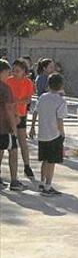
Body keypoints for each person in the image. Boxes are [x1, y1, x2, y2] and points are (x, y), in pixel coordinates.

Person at [35, 73, 66, 195]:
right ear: (61, 85)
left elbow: (36, 112)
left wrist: (33, 127)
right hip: (54, 134)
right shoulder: (61, 101)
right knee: (51, 161)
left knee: (44, 160)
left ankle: (42, 183)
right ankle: (48, 186)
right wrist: (62, 132)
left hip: (42, 133)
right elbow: (60, 119)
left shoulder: (42, 97)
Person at [7, 58, 35, 179]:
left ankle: (27, 166)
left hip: (21, 114)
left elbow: (29, 99)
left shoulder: (28, 82)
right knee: (7, 143)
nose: (14, 72)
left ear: (24, 71)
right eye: (13, 70)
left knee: (22, 141)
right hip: (8, 115)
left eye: (17, 70)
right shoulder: (8, 81)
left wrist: (19, 102)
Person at [0, 59, 23, 191]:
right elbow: (9, 109)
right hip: (4, 127)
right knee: (13, 151)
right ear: (2, 71)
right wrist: (14, 128)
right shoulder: (5, 88)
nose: (9, 75)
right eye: (8, 72)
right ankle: (14, 181)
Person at [29, 58, 54, 140]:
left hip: (42, 99)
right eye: (50, 67)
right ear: (44, 68)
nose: (52, 69)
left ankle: (32, 130)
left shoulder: (43, 77)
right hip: (44, 100)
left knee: (36, 114)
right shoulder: (43, 77)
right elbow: (44, 89)